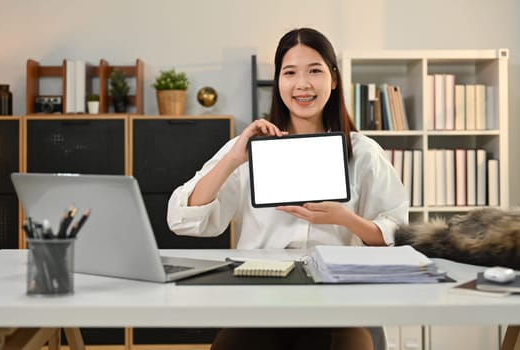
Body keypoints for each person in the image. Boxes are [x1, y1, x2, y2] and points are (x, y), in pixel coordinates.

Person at [167, 27, 409, 350]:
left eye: (315, 71)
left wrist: (344, 219)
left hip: (335, 305)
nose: (303, 84)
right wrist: (233, 160)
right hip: (259, 303)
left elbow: (397, 233)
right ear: (278, 82)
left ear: (334, 79)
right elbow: (181, 219)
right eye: (290, 72)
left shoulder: (362, 152)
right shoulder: (249, 147)